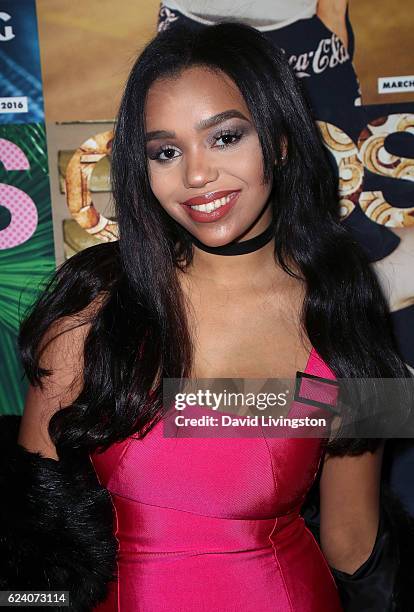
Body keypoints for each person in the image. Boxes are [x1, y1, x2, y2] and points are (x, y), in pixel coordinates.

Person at [1, 22, 413, 612]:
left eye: (224, 138)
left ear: (280, 140)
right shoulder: (96, 302)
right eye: (166, 151)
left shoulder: (343, 302)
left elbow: (353, 540)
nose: (196, 176)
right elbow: (32, 541)